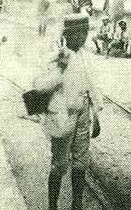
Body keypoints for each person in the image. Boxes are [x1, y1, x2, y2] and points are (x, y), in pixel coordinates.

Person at [34, 15, 102, 210]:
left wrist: (96, 116)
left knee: (81, 162)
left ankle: (77, 205)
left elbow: (92, 86)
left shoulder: (85, 55)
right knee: (59, 164)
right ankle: (52, 206)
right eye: (77, 34)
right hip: (62, 116)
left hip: (83, 113)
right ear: (67, 34)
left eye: (85, 33)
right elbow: (40, 85)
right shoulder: (56, 55)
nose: (81, 38)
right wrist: (60, 69)